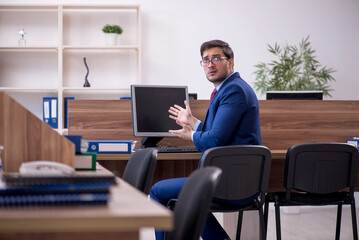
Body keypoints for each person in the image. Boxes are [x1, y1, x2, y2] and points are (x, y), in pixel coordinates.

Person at [150, 39, 261, 240]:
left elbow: (215, 140)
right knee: (191, 198)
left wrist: (190, 135)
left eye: (216, 58)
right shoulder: (229, 88)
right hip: (235, 178)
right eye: (205, 60)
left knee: (158, 191)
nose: (210, 64)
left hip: (231, 182)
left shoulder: (234, 90)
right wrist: (192, 121)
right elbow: (220, 132)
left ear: (231, 61)